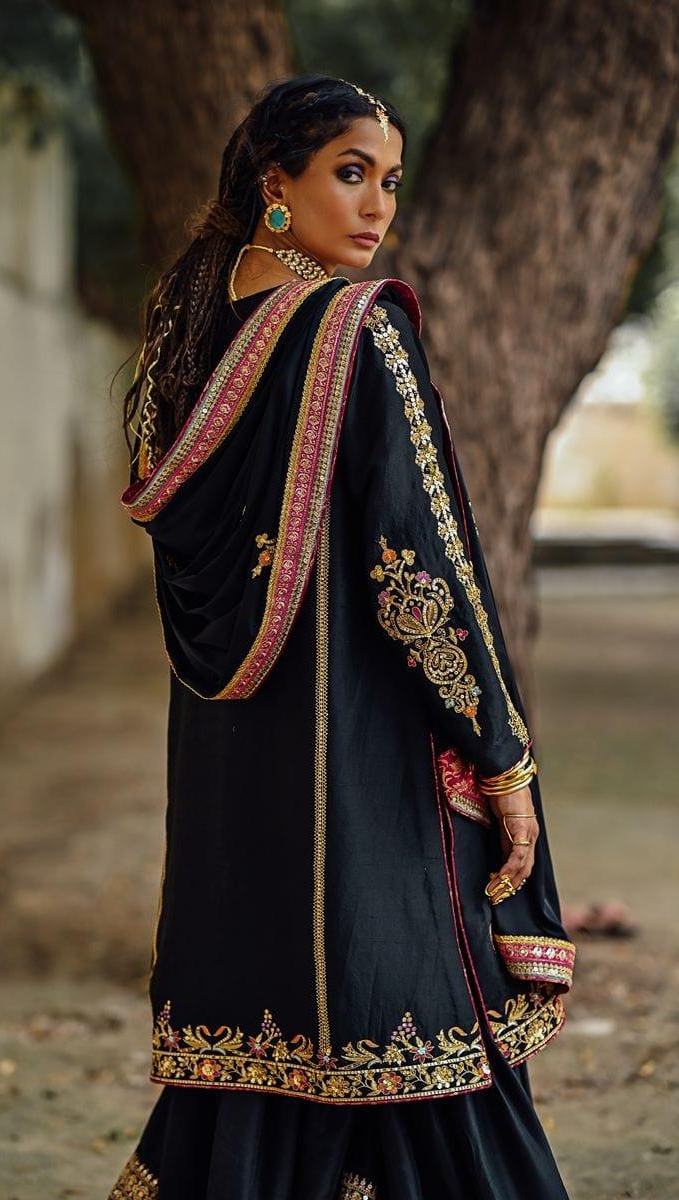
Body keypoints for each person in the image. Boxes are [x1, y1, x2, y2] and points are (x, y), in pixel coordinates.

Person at [105, 74, 575, 1200]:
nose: (377, 208)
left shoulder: (190, 335)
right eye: (350, 173)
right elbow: (418, 574)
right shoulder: (354, 332)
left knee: (257, 1031)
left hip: (231, 778)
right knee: (399, 1021)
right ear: (277, 184)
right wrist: (500, 755)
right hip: (358, 766)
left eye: (390, 182)